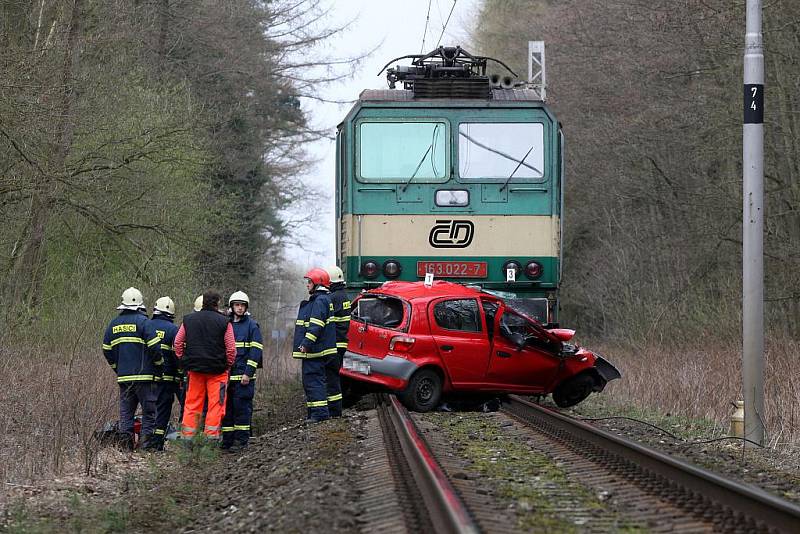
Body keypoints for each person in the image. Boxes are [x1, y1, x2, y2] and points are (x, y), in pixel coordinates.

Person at [102, 287, 163, 450]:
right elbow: (155, 348)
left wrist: (118, 368)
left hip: (124, 378)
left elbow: (106, 350)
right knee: (149, 413)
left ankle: (125, 448)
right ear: (140, 304)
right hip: (145, 379)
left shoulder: (112, 325)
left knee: (126, 415)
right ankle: (145, 448)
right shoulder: (145, 323)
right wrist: (158, 367)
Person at [174, 291, 236, 441]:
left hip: (194, 370)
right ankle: (210, 440)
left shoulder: (188, 320)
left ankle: (188, 439)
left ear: (202, 303)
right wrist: (227, 364)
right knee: (216, 405)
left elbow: (177, 342)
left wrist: (184, 360)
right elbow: (231, 349)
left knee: (192, 404)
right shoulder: (224, 322)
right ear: (217, 303)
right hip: (217, 371)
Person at [292, 268, 337, 422]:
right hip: (315, 351)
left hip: (315, 351)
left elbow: (316, 325)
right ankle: (313, 413)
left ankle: (320, 414)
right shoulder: (321, 300)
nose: (307, 285)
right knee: (309, 382)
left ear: (318, 283)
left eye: (309, 282)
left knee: (313, 381)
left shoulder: (320, 301)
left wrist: (306, 343)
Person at [221, 291, 263, 452]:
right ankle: (227, 441)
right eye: (237, 305)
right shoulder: (226, 324)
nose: (239, 308)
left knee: (242, 410)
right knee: (228, 410)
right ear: (231, 306)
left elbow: (256, 351)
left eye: (242, 305)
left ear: (246, 307)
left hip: (244, 378)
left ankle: (241, 441)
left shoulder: (252, 325)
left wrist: (248, 373)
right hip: (227, 377)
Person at [146, 296, 180, 451]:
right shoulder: (174, 330)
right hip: (167, 379)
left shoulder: (146, 325)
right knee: (163, 411)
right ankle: (157, 443)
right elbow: (177, 355)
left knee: (148, 409)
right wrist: (180, 374)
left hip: (147, 378)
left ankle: (146, 441)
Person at [324, 265, 349, 417]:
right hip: (342, 343)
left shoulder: (331, 298)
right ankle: (336, 409)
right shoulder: (344, 296)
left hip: (333, 344)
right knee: (335, 376)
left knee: (331, 378)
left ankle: (333, 411)